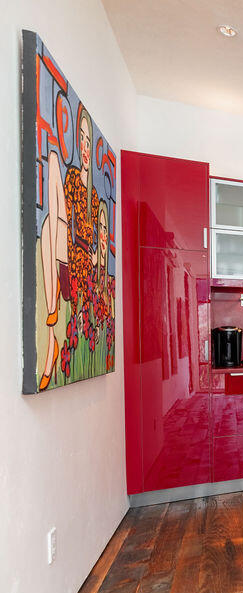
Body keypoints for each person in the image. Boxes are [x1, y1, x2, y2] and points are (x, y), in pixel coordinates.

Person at [38, 103, 99, 389]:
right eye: (82, 140)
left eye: (89, 142)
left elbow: (98, 256)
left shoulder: (96, 199)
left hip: (81, 269)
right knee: (52, 161)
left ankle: (52, 323)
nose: (85, 148)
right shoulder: (73, 177)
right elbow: (63, 214)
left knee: (53, 223)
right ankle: (51, 319)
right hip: (66, 254)